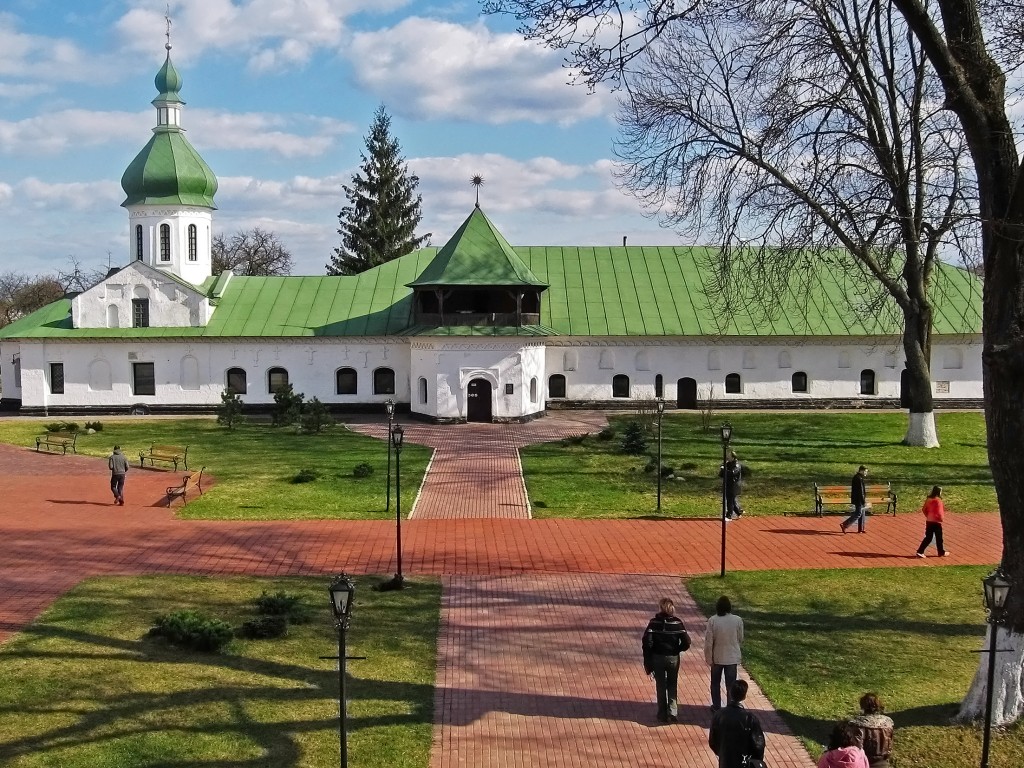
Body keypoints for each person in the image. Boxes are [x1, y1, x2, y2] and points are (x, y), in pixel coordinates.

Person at [642, 597, 690, 723]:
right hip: (673, 658)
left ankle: (662, 713)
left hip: (658, 657)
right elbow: (687, 642)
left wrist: (648, 659)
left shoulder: (653, 623)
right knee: (672, 684)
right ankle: (673, 711)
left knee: (661, 685)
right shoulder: (677, 623)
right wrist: (678, 649)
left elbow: (647, 642)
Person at [708, 679, 766, 768]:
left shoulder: (718, 715)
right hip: (744, 763)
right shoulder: (750, 719)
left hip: (725, 761)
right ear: (744, 696)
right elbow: (758, 745)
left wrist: (722, 753)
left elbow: (713, 741)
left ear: (731, 693)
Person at [705, 595, 744, 711]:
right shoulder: (737, 620)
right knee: (731, 685)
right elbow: (740, 638)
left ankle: (716, 706)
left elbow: (708, 642)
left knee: (715, 683)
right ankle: (730, 707)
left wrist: (708, 658)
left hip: (717, 657)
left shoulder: (713, 620)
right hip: (732, 657)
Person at [848, 692, 894, 768]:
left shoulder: (856, 724)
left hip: (863, 762)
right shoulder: (888, 722)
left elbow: (855, 747)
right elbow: (890, 742)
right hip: (883, 762)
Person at [916, 486, 950, 558]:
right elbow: (939, 512)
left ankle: (920, 551)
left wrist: (928, 516)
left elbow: (924, 509)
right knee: (939, 538)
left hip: (929, 521)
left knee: (928, 537)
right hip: (936, 522)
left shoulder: (928, 499)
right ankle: (941, 552)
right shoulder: (938, 500)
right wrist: (941, 519)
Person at [841, 465, 869, 533]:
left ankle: (861, 528)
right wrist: (863, 501)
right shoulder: (858, 478)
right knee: (858, 513)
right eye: (865, 471)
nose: (866, 473)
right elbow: (861, 491)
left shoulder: (858, 477)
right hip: (858, 499)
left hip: (858, 498)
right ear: (861, 471)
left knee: (862, 513)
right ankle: (844, 524)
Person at [722, 450, 744, 519]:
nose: (727, 457)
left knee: (730, 500)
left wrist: (724, 469)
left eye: (729, 456)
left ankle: (729, 515)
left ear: (733, 457)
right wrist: (723, 467)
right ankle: (738, 512)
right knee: (731, 500)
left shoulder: (737, 465)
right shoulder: (728, 463)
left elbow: (732, 473)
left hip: (734, 485)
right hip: (728, 484)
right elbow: (721, 474)